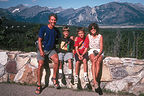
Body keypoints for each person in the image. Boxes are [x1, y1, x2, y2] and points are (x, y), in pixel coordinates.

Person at [35, 13, 61, 94]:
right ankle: (39, 85)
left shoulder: (56, 30)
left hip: (51, 50)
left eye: (54, 20)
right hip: (42, 49)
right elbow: (39, 40)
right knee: (40, 65)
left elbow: (61, 39)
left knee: (57, 60)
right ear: (49, 20)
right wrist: (41, 51)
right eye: (52, 20)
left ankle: (54, 78)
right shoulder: (43, 28)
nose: (53, 21)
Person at [87, 23, 103, 91]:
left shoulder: (100, 36)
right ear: (90, 30)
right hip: (91, 51)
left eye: (94, 28)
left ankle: (94, 81)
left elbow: (101, 48)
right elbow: (84, 43)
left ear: (96, 29)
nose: (93, 30)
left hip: (99, 51)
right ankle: (96, 82)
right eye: (91, 28)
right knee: (94, 61)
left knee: (98, 62)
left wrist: (98, 55)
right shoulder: (88, 36)